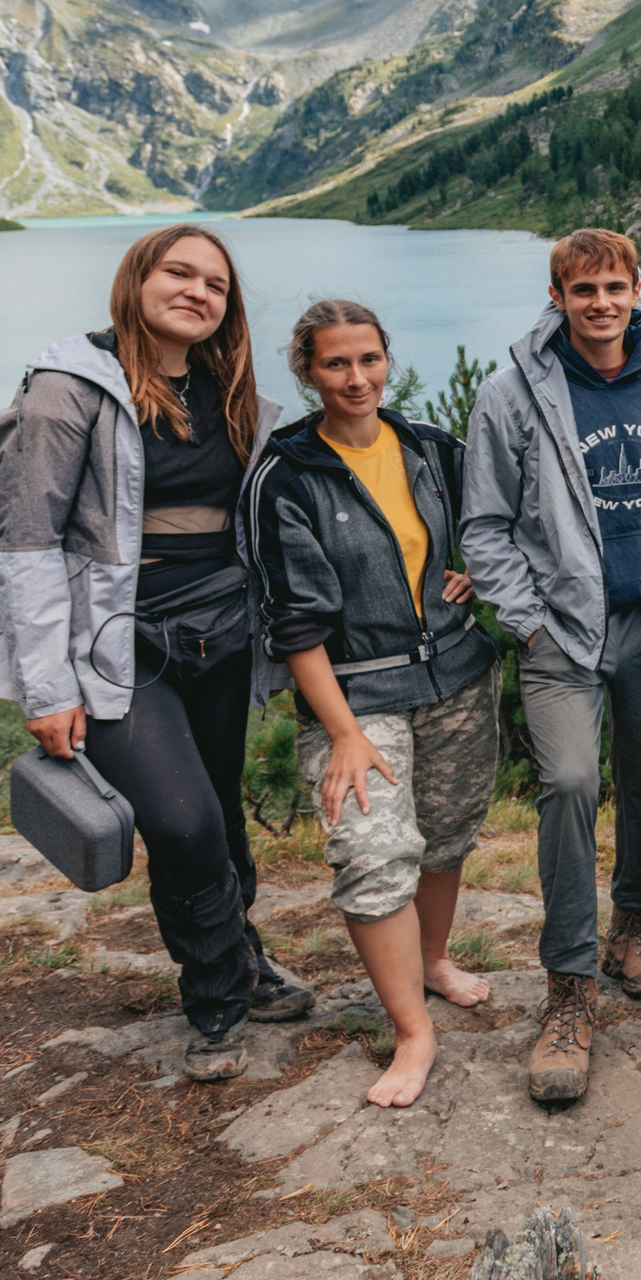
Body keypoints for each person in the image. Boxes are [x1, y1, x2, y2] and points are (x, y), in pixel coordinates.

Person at [0, 223, 303, 1083]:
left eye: (216, 285)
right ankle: (216, 994)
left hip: (221, 632)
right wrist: (47, 689)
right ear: (137, 278)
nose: (198, 292)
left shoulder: (228, 390)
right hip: (117, 644)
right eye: (179, 273)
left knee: (221, 816)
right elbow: (25, 546)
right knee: (181, 819)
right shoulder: (66, 389)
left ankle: (241, 953)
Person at [246, 302, 502, 1109]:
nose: (356, 378)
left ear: (388, 359)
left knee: (448, 827)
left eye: (369, 360)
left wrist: (477, 574)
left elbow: (499, 525)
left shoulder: (432, 450)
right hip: (355, 690)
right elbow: (293, 624)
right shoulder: (285, 476)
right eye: (335, 364)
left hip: (457, 672)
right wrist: (344, 732)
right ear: (307, 372)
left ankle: (432, 960)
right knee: (369, 848)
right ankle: (412, 1030)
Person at [462, 228, 641, 1104]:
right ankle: (568, 986)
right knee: (566, 782)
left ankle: (632, 925)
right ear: (557, 297)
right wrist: (526, 622)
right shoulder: (512, 392)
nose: (601, 303)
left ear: (638, 290)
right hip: (560, 631)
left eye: (616, 287)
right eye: (583, 289)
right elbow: (484, 524)